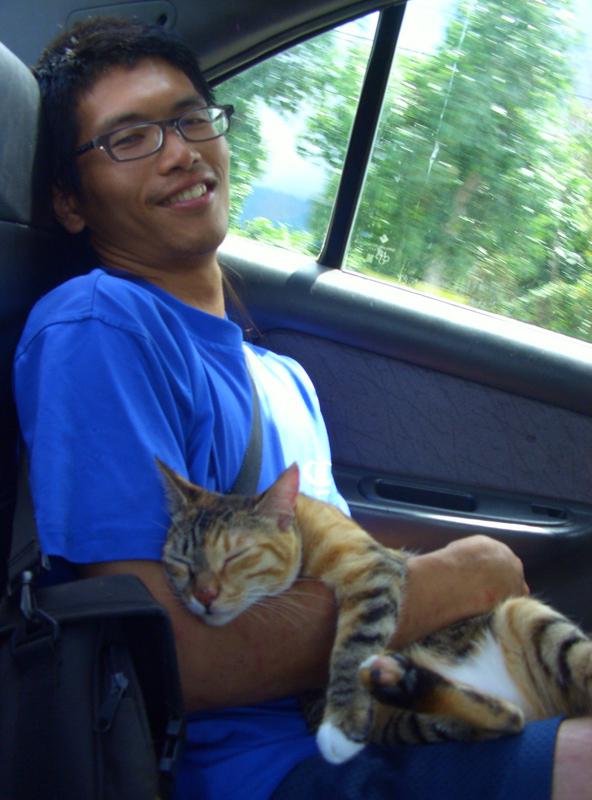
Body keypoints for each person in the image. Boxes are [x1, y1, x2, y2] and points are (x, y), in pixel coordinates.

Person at [12, 16, 592, 800]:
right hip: (275, 771)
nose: (180, 152)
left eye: (189, 118)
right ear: (70, 202)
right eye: (131, 138)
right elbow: (165, 655)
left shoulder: (283, 376)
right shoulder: (99, 327)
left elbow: (325, 568)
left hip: (382, 718)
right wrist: (449, 582)